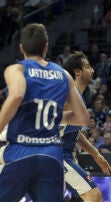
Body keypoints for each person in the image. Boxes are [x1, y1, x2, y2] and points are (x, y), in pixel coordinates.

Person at [0, 23, 90, 201]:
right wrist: (56, 116)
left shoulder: (17, 69)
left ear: (21, 48)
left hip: (21, 153)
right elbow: (83, 118)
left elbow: (17, 94)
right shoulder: (63, 74)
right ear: (46, 47)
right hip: (51, 157)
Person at [61, 51, 111, 202]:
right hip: (56, 154)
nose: (92, 70)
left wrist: (95, 154)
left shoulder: (78, 97)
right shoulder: (67, 95)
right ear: (77, 72)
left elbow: (75, 132)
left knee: (80, 197)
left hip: (65, 155)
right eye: (88, 67)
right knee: (93, 195)